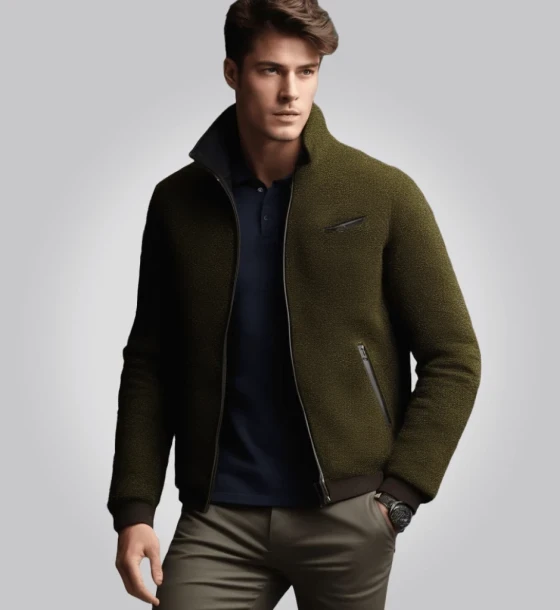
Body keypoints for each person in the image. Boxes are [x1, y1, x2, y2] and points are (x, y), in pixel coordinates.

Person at [107, 1, 482, 608]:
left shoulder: (382, 192)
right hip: (218, 517)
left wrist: (399, 497)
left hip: (348, 515)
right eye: (270, 70)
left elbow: (454, 355)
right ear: (232, 72)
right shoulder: (176, 202)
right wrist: (134, 507)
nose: (291, 92)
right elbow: (151, 362)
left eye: (307, 71)